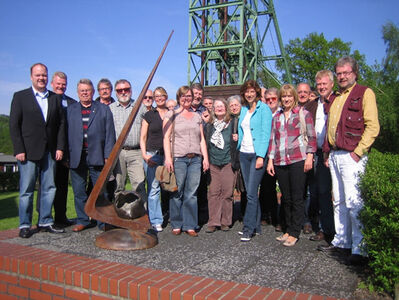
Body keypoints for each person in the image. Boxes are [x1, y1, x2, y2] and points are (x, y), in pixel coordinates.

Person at [318, 56, 379, 265]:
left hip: (352, 156)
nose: (342, 76)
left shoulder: (364, 93)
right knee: (339, 201)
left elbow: (373, 127)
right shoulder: (336, 98)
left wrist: (358, 152)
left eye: (346, 73)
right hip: (336, 155)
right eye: (339, 73)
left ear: (354, 73)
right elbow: (330, 129)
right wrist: (327, 153)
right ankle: (342, 241)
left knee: (354, 202)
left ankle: (360, 248)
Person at [10, 63, 66, 238]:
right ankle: (25, 224)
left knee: (49, 188)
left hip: (49, 151)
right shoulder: (20, 97)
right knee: (26, 190)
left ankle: (45, 221)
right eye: (38, 75)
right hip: (27, 151)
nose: (41, 78)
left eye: (44, 75)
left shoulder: (54, 98)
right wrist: (18, 148)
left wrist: (59, 147)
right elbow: (14, 125)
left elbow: (61, 125)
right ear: (31, 76)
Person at [267, 84, 317, 247]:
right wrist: (270, 160)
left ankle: (295, 231)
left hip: (298, 159)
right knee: (286, 197)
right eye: (283, 96)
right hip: (280, 161)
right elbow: (273, 141)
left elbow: (312, 137)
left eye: (289, 96)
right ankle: (287, 229)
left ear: (294, 97)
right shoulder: (277, 117)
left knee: (297, 197)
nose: (286, 99)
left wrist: (310, 156)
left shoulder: (304, 114)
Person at [67, 79, 115, 232]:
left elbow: (110, 134)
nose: (85, 93)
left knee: (101, 191)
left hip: (97, 156)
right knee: (79, 191)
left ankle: (102, 222)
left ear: (93, 92)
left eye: (88, 90)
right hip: (77, 157)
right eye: (82, 90)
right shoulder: (70, 110)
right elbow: (64, 134)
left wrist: (108, 155)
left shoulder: (103, 109)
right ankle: (82, 220)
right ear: (78, 92)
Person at [163, 85, 209, 237]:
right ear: (179, 98)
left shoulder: (197, 116)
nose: (186, 99)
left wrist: (205, 158)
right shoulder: (172, 114)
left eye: (189, 96)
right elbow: (165, 138)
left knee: (192, 193)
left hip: (195, 159)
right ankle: (176, 223)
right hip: (179, 158)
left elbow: (201, 139)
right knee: (177, 191)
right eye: (183, 96)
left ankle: (190, 224)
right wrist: (168, 158)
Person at [237, 80, 272, 242]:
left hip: (256, 155)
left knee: (251, 193)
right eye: (246, 92)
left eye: (252, 91)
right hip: (244, 153)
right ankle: (256, 226)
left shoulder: (264, 109)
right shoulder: (244, 109)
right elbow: (241, 129)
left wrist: (261, 156)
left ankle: (248, 228)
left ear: (257, 93)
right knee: (249, 193)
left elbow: (265, 134)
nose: (249, 94)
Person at [304, 70, 335, 243]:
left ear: (332, 84)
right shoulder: (311, 105)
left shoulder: (337, 101)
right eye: (319, 84)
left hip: (332, 151)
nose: (322, 87)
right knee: (317, 191)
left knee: (332, 193)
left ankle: (333, 230)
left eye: (325, 84)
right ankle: (322, 227)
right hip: (315, 152)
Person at [109, 80, 147, 201]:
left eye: (126, 89)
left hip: (136, 152)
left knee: (139, 184)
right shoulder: (110, 109)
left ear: (131, 90)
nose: (123, 92)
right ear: (116, 92)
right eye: (120, 90)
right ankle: (119, 215)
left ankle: (142, 214)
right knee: (118, 186)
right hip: (118, 153)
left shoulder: (140, 107)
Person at [140, 87, 169, 232]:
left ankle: (169, 215)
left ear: (166, 96)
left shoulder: (171, 114)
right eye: (156, 96)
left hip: (168, 155)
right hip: (153, 154)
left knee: (170, 187)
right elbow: (143, 137)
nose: (159, 98)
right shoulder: (149, 115)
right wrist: (145, 155)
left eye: (162, 95)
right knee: (154, 189)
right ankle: (156, 220)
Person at [205, 99, 235, 233]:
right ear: (213, 109)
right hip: (213, 163)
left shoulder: (233, 123)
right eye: (216, 106)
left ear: (226, 108)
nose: (219, 108)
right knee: (213, 193)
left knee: (227, 193)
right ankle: (213, 221)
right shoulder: (209, 126)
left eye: (221, 106)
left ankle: (225, 221)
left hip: (228, 162)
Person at [50, 71, 76, 227]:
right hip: (47, 151)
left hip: (65, 153)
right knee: (46, 187)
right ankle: (44, 219)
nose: (61, 86)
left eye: (63, 84)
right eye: (58, 84)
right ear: (52, 84)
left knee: (62, 186)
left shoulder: (72, 103)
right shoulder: (45, 100)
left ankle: (60, 217)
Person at [259, 87, 282, 231]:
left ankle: (280, 218)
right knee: (267, 186)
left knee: (284, 188)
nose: (271, 101)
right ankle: (266, 215)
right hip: (266, 153)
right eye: (268, 99)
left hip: (281, 154)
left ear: (278, 100)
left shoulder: (282, 113)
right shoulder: (263, 113)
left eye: (273, 99)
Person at [297, 82, 314, 234]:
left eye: (305, 92)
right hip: (297, 155)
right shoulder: (293, 109)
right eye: (300, 92)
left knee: (310, 190)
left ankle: (308, 220)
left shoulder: (314, 108)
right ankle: (299, 219)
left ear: (310, 94)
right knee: (299, 190)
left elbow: (313, 135)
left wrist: (310, 155)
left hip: (310, 153)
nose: (302, 94)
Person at [227, 95, 246, 222]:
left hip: (243, 155)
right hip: (231, 156)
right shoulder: (229, 120)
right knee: (230, 186)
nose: (234, 107)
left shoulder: (245, 118)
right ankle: (230, 214)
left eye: (236, 105)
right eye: (231, 105)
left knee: (244, 186)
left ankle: (245, 213)